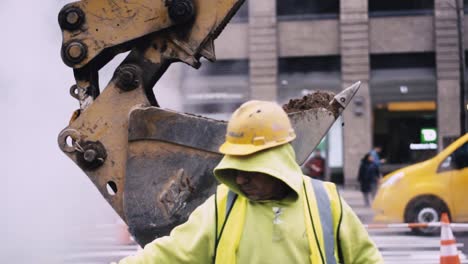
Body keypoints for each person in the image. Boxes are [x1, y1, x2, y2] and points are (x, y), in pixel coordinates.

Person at [117, 100, 383, 264]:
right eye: (235, 165)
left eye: (250, 168)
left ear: (276, 163)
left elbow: (366, 260)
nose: (240, 178)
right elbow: (169, 255)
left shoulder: (327, 201)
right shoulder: (223, 207)